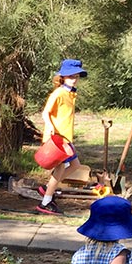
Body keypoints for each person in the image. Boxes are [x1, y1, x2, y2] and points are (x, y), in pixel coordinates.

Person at [38, 59, 88, 216]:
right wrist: (51, 126)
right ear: (63, 77)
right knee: (61, 167)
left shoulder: (70, 93)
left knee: (75, 165)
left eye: (76, 76)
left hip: (66, 138)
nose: (74, 79)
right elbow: (45, 112)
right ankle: (45, 202)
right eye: (70, 76)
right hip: (57, 139)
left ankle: (48, 188)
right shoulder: (59, 93)